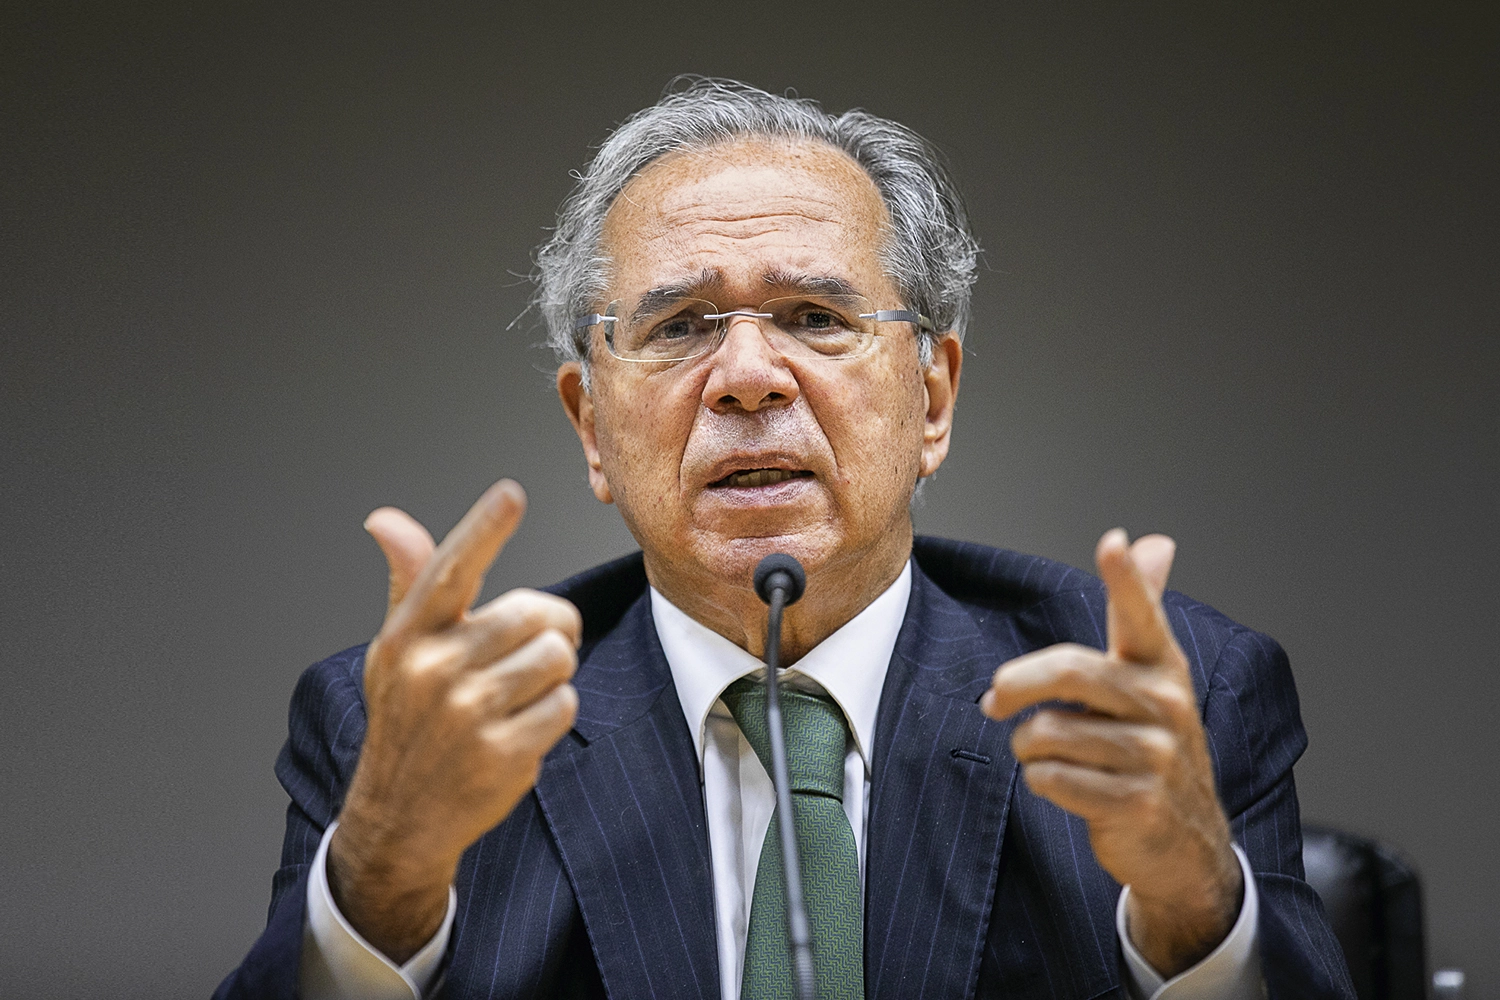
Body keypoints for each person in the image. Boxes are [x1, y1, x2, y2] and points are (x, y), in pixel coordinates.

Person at [216, 79, 1353, 1000]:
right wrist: (379, 880)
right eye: (680, 326)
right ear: (592, 426)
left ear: (933, 399)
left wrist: (1198, 912)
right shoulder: (406, 730)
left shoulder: (1167, 699)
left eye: (816, 317)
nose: (749, 376)